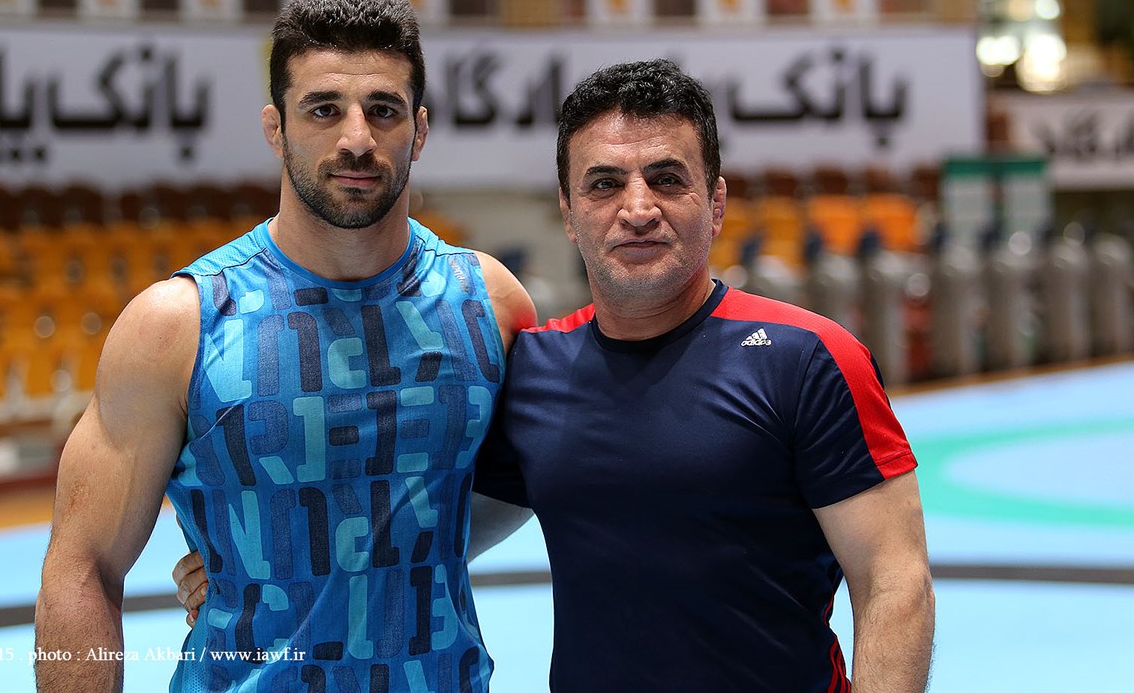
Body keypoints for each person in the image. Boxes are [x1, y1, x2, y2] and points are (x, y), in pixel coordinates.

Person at [176, 59, 936, 691]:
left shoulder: (807, 358)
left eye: (667, 179)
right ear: (569, 214)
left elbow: (894, 581)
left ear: (716, 202)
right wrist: (267, 560)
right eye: (604, 185)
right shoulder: (537, 369)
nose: (637, 209)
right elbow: (423, 530)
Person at [35, 0, 535, 693]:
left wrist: (317, 562)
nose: (356, 138)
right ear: (276, 128)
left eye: (384, 110)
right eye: (323, 109)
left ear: (419, 130)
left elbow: (527, 484)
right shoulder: (176, 326)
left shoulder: (490, 303)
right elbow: (82, 569)